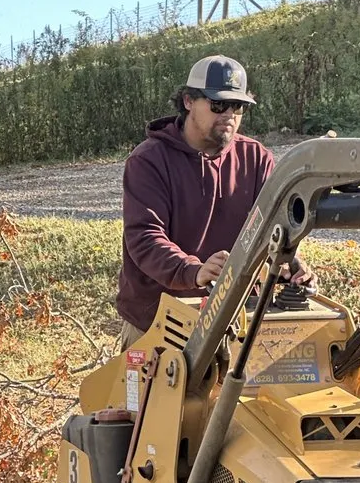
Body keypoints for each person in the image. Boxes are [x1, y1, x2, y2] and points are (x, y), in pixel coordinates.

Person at [116, 54, 313, 350]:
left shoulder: (256, 159)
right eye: (219, 105)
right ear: (188, 101)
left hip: (233, 322)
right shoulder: (149, 161)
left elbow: (272, 230)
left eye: (238, 106)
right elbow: (144, 238)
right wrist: (193, 271)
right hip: (158, 324)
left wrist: (287, 262)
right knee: (148, 398)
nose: (229, 115)